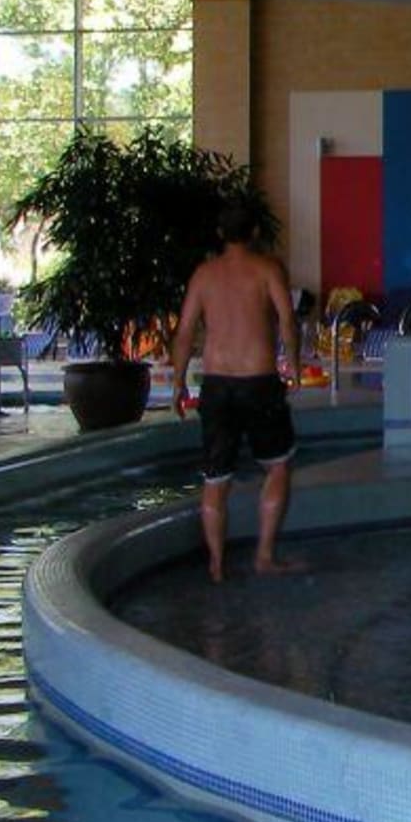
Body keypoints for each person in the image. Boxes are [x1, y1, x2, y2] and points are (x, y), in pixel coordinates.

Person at [171, 204, 303, 582]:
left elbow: (184, 332)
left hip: (216, 384)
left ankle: (216, 564)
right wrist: (294, 366)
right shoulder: (268, 269)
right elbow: (287, 321)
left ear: (220, 232)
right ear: (256, 231)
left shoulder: (204, 274)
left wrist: (178, 382)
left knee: (216, 478)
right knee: (277, 466)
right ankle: (264, 556)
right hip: (259, 380)